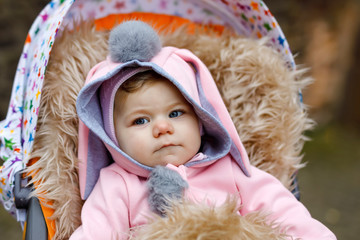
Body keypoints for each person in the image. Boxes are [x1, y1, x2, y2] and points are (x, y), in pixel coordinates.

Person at [70, 20, 336, 239]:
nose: (162, 128)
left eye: (176, 113)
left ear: (200, 121)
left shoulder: (229, 172)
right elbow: (95, 232)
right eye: (141, 120)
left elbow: (285, 213)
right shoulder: (117, 184)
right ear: (112, 137)